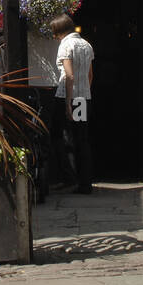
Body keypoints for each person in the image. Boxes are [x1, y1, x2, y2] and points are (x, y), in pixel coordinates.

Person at [49, 13, 94, 195]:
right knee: (81, 138)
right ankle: (85, 183)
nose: (54, 36)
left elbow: (69, 75)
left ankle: (67, 177)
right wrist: (81, 94)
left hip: (65, 97)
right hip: (83, 98)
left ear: (59, 31)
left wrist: (68, 103)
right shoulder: (86, 44)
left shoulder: (65, 45)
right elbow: (90, 75)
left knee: (56, 135)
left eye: (54, 32)